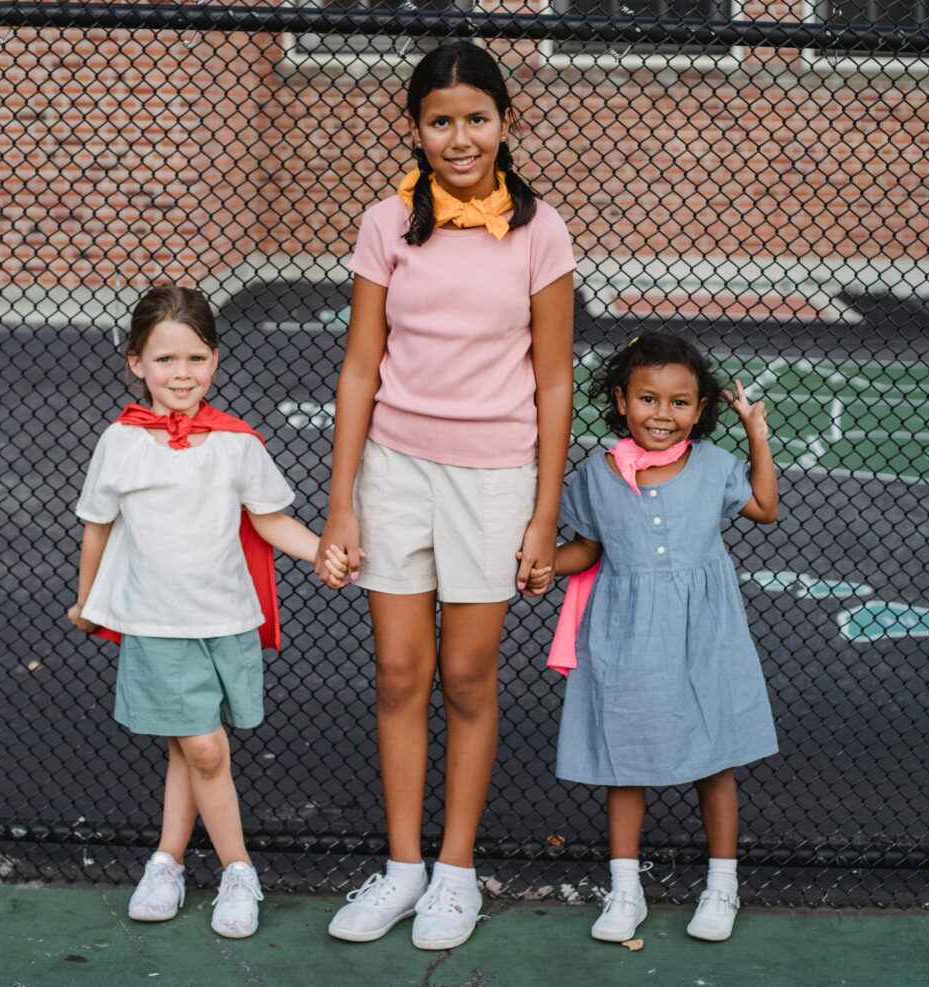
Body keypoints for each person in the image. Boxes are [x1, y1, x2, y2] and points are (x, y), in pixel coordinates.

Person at [317, 40, 575, 950]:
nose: (459, 137)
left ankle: (455, 873)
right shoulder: (385, 222)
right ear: (417, 128)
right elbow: (358, 367)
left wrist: (544, 513)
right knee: (399, 673)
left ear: (506, 123)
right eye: (441, 120)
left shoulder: (542, 231)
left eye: (476, 118)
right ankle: (401, 868)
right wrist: (341, 499)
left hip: (494, 479)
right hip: (395, 470)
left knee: (466, 675)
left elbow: (552, 382)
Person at [67, 285, 348, 939]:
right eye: (165, 360)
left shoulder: (235, 443)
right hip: (158, 624)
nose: (181, 374)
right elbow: (96, 529)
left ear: (215, 361)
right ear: (137, 362)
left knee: (189, 749)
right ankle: (238, 868)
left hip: (224, 619)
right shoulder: (121, 442)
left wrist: (323, 554)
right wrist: (85, 600)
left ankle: (167, 858)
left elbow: (270, 519)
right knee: (205, 746)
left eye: (195, 358)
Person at [530, 331, 779, 944]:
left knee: (714, 757)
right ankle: (625, 891)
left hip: (705, 632)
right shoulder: (597, 472)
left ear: (698, 410)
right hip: (626, 630)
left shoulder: (717, 466)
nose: (662, 414)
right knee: (625, 760)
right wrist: (543, 565)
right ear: (621, 400)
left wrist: (756, 434)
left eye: (678, 403)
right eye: (647, 399)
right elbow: (588, 546)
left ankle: (722, 886)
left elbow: (766, 508)